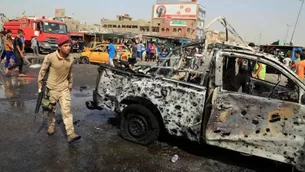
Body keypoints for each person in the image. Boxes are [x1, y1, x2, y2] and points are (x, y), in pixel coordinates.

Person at [38, 35, 81, 143]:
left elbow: (70, 72)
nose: (68, 48)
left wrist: (70, 83)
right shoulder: (50, 57)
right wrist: (39, 85)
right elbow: (42, 71)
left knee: (67, 111)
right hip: (51, 89)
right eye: (65, 45)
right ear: (59, 47)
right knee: (51, 110)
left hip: (64, 89)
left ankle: (70, 134)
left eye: (69, 45)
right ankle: (51, 126)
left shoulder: (71, 59)